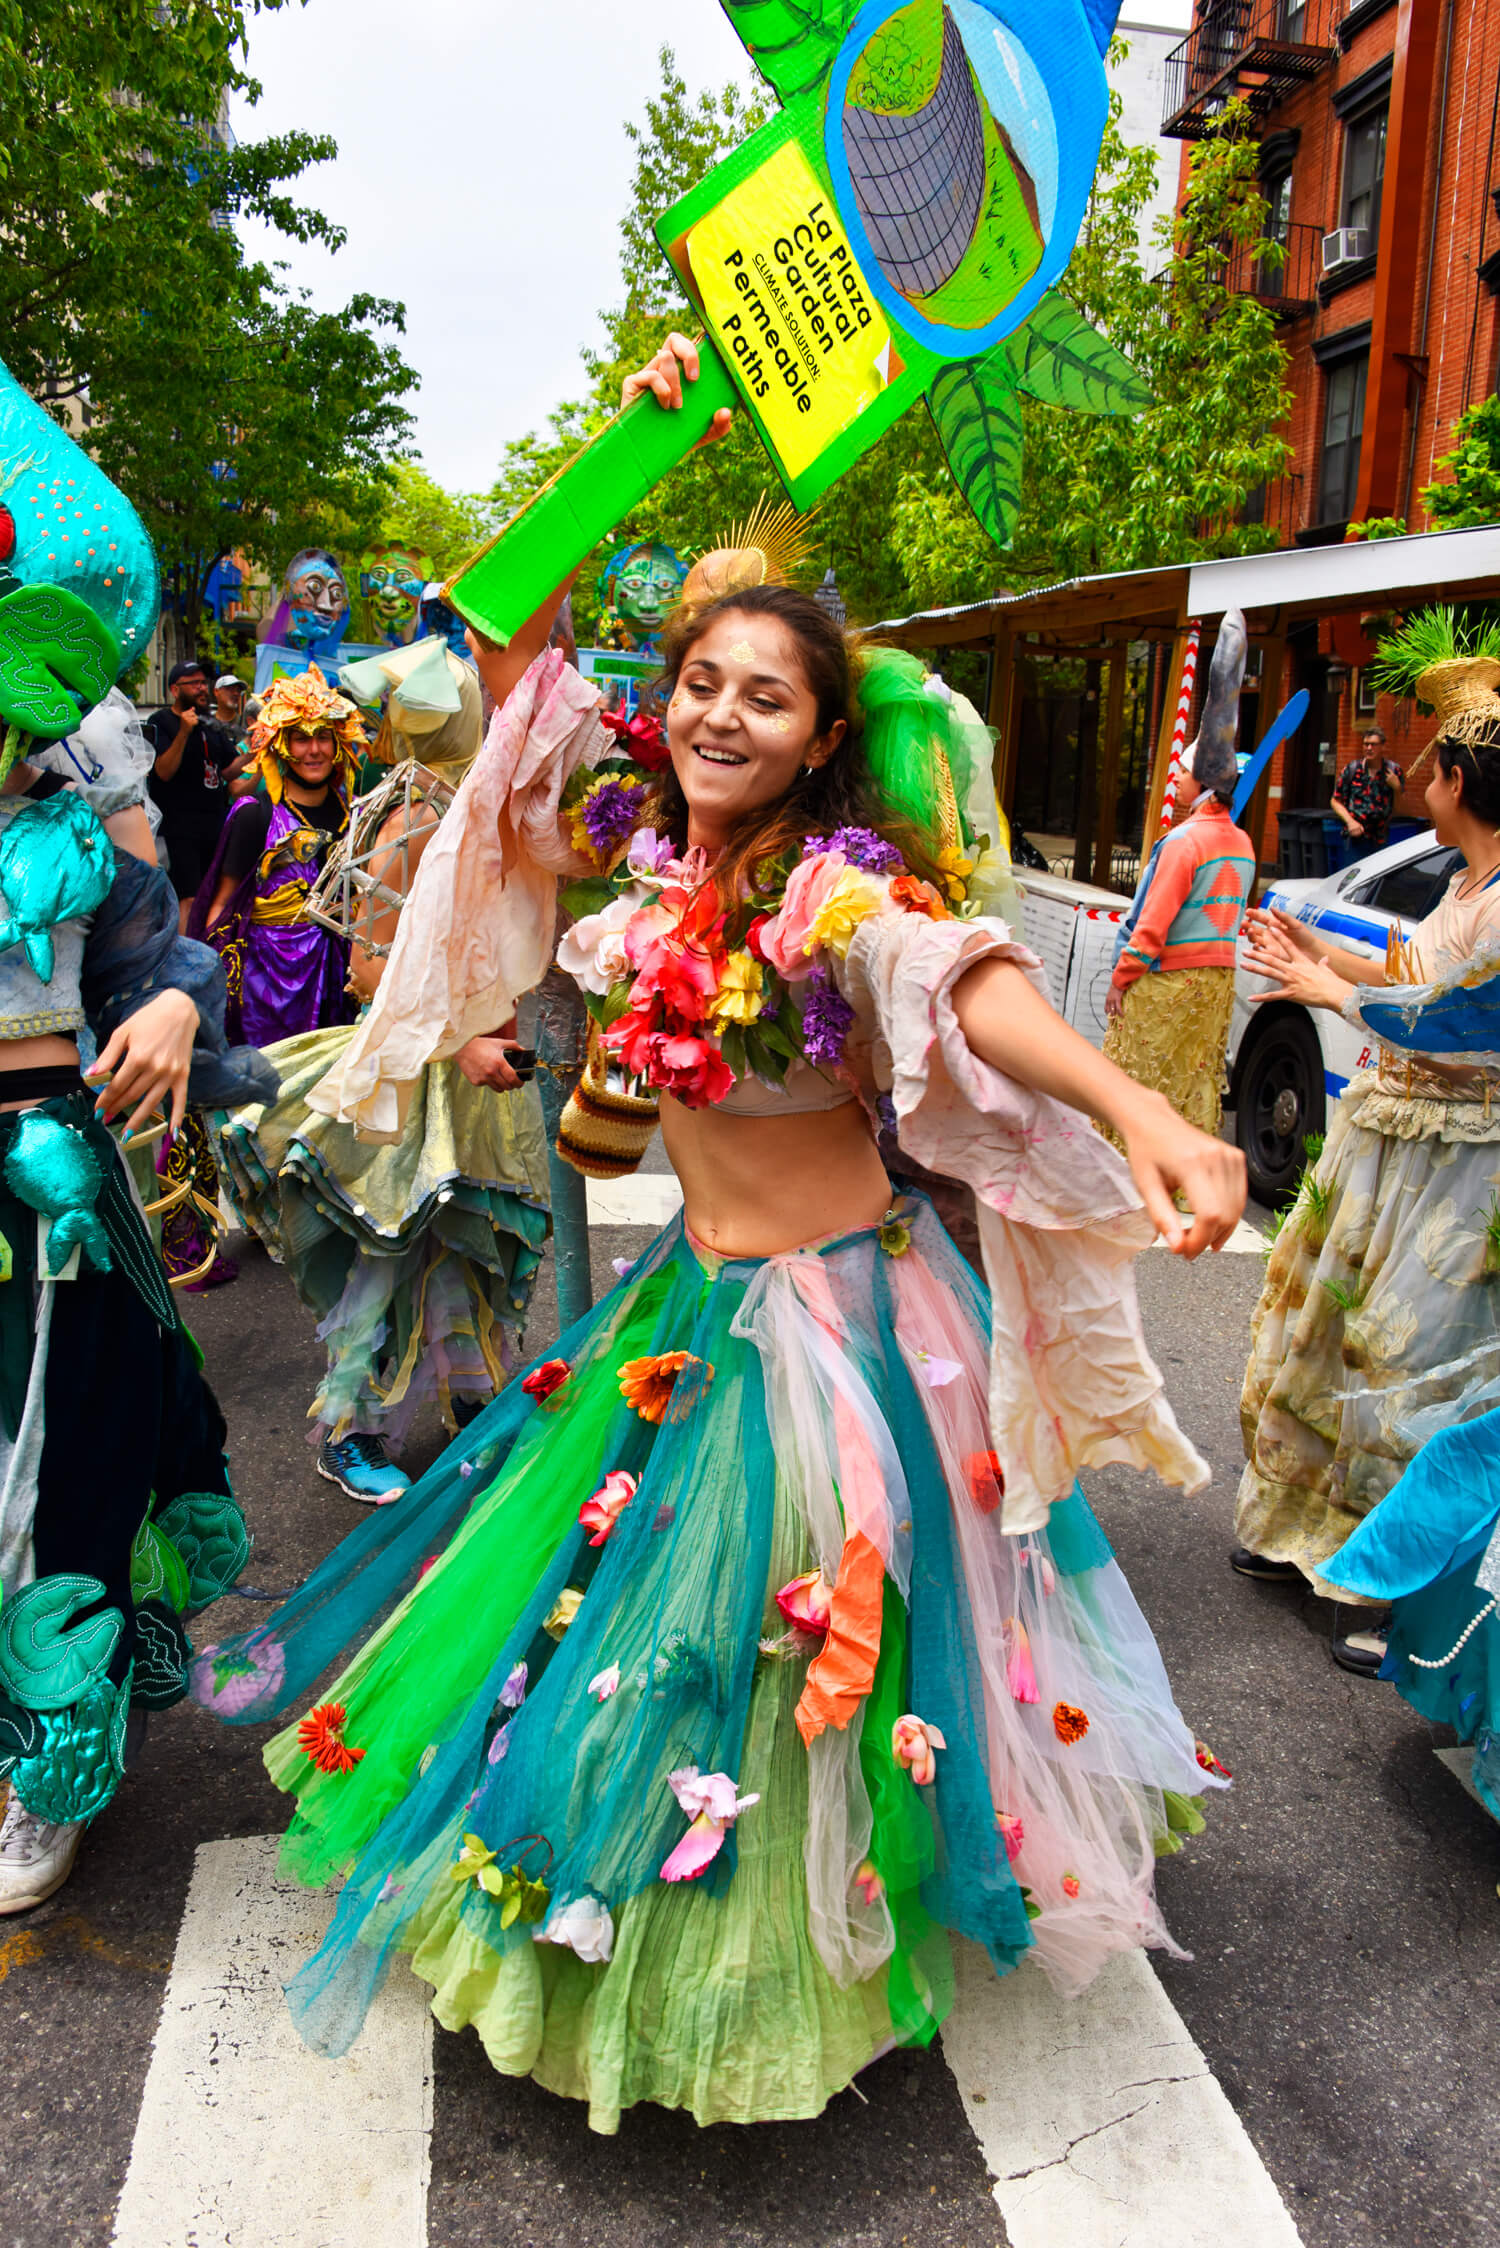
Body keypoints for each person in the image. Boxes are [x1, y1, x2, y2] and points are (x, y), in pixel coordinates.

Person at [189, 337, 1244, 2134]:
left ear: (824, 736)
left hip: (846, 1333)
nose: (724, 713)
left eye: (769, 693)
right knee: (660, 1644)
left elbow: (966, 983)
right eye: (699, 682)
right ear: (659, 701)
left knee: (801, 1665)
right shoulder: (642, 868)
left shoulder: (844, 893)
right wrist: (637, 431)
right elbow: (505, 647)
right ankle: (669, 1935)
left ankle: (790, 1954)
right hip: (693, 1314)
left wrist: (1141, 1107)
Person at [0, 352, 269, 1911]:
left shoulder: (80, 802)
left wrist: (175, 1011)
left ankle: (47, 1772)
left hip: (47, 1196)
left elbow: (160, 962)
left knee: (59, 1484)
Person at [213, 638, 552, 1504]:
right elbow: (370, 973)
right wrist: (460, 1042)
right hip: (416, 1071)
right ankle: (350, 1430)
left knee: (468, 1244)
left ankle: (474, 1402)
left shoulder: (473, 804)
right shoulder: (415, 816)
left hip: (480, 1076)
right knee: (383, 1246)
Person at [1234, 695, 1500, 1672]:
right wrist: (1316, 952)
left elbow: (1457, 1024)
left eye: (1429, 771)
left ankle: (1394, 1591)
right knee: (1325, 1335)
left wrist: (1331, 990)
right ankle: (1302, 1536)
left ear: (1459, 784)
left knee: (1416, 1364)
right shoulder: (1468, 883)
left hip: (1463, 1166)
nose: (1416, 786)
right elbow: (1413, 969)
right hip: (1390, 1145)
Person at [1103, 611, 1257, 1145]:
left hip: (1167, 980)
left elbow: (1153, 922)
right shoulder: (1241, 843)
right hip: (1217, 983)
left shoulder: (1184, 842)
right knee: (1195, 1081)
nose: (1176, 776)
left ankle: (1135, 1172)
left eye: (1185, 772)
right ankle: (1188, 1178)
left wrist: (1123, 976)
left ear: (1204, 784)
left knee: (1142, 1079)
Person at [144, 662, 248, 928]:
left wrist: (256, 752)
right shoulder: (161, 721)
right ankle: (184, 957)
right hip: (180, 827)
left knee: (212, 893)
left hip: (214, 825)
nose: (202, 688)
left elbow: (228, 771)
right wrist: (183, 732)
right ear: (174, 689)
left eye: (203, 682)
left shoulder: (209, 725)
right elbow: (163, 771)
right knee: (188, 896)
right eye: (193, 683)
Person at [1330, 726, 1404, 859]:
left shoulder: (1393, 771)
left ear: (1382, 746)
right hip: (1356, 839)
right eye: (1366, 744)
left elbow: (1399, 809)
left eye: (1373, 744)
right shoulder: (1352, 769)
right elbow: (1335, 800)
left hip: (1381, 838)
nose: (1369, 748)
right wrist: (1350, 821)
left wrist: (1397, 788)